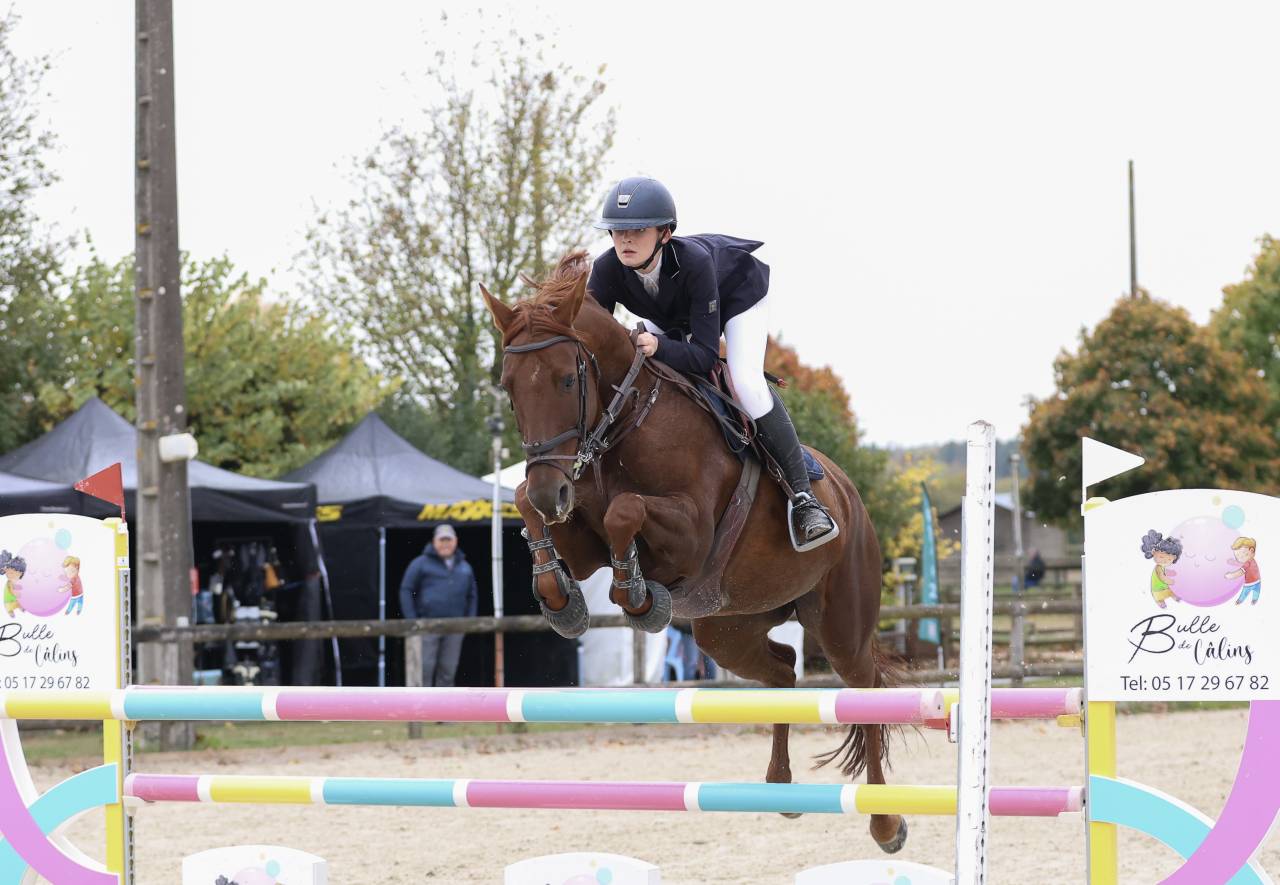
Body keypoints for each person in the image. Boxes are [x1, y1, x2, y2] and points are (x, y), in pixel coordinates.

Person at [587, 176, 838, 552]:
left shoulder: (695, 262)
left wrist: (656, 344)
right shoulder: (606, 269)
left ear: (665, 233)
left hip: (736, 296)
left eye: (637, 230)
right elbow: (594, 341)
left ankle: (804, 498)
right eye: (618, 230)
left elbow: (704, 356)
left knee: (745, 382)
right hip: (672, 311)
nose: (625, 239)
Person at [399, 524, 478, 687]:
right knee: (423, 671)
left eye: (448, 540)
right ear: (434, 542)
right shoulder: (420, 563)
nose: (445, 544)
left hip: (455, 628)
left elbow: (472, 596)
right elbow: (406, 590)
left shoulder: (465, 567)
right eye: (442, 540)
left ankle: (445, 711)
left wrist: (469, 622)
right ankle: (420, 711)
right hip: (426, 626)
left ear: (455, 541)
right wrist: (412, 620)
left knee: (448, 671)